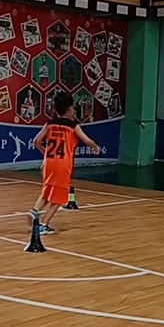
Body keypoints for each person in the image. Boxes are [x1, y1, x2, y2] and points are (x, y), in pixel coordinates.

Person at [28, 93, 100, 235]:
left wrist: (45, 152)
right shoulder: (73, 126)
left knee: (48, 190)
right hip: (62, 164)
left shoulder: (50, 124)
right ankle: (43, 224)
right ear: (70, 109)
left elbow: (36, 141)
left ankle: (34, 211)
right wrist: (95, 146)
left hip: (48, 162)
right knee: (59, 198)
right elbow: (86, 140)